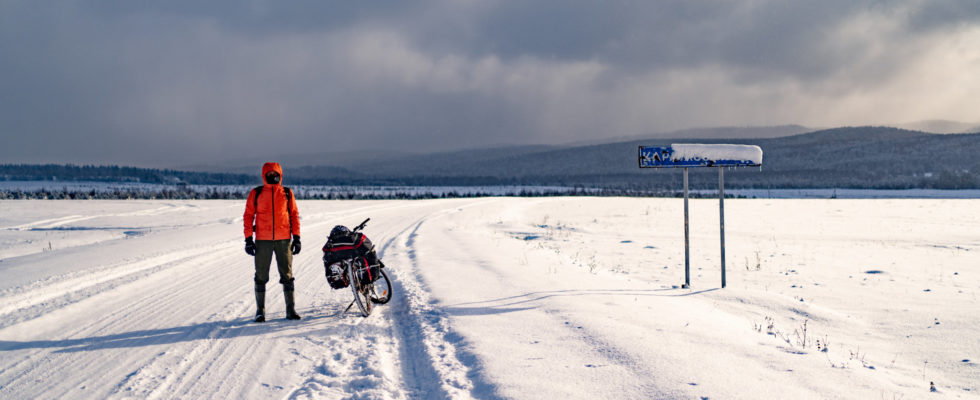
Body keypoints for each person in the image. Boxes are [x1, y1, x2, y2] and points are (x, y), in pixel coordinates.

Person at [243, 162, 302, 322]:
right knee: (261, 276)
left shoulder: (287, 193)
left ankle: (291, 310)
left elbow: (294, 215)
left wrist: (297, 237)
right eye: (269, 174)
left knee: (287, 275)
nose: (273, 177)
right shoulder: (256, 193)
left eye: (275, 174)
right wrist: (249, 239)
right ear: (264, 175)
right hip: (263, 241)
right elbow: (248, 216)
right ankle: (260, 311)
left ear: (280, 175)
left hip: (284, 240)